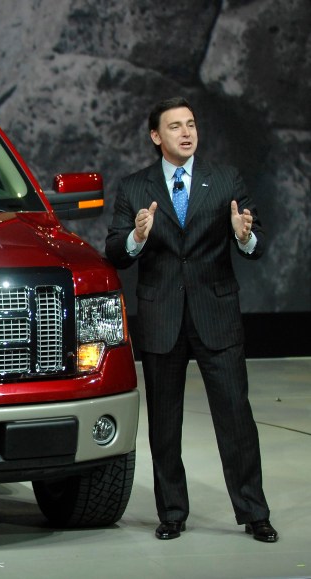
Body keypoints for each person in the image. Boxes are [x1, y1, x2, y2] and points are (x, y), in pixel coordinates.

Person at [105, 96, 278, 543]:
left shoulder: (225, 181)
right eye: (175, 126)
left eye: (191, 124)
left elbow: (258, 245)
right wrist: (137, 237)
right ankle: (173, 513)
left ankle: (254, 512)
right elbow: (114, 252)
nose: (186, 132)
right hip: (163, 318)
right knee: (165, 424)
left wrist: (245, 236)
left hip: (215, 315)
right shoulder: (135, 188)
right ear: (156, 136)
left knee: (236, 419)